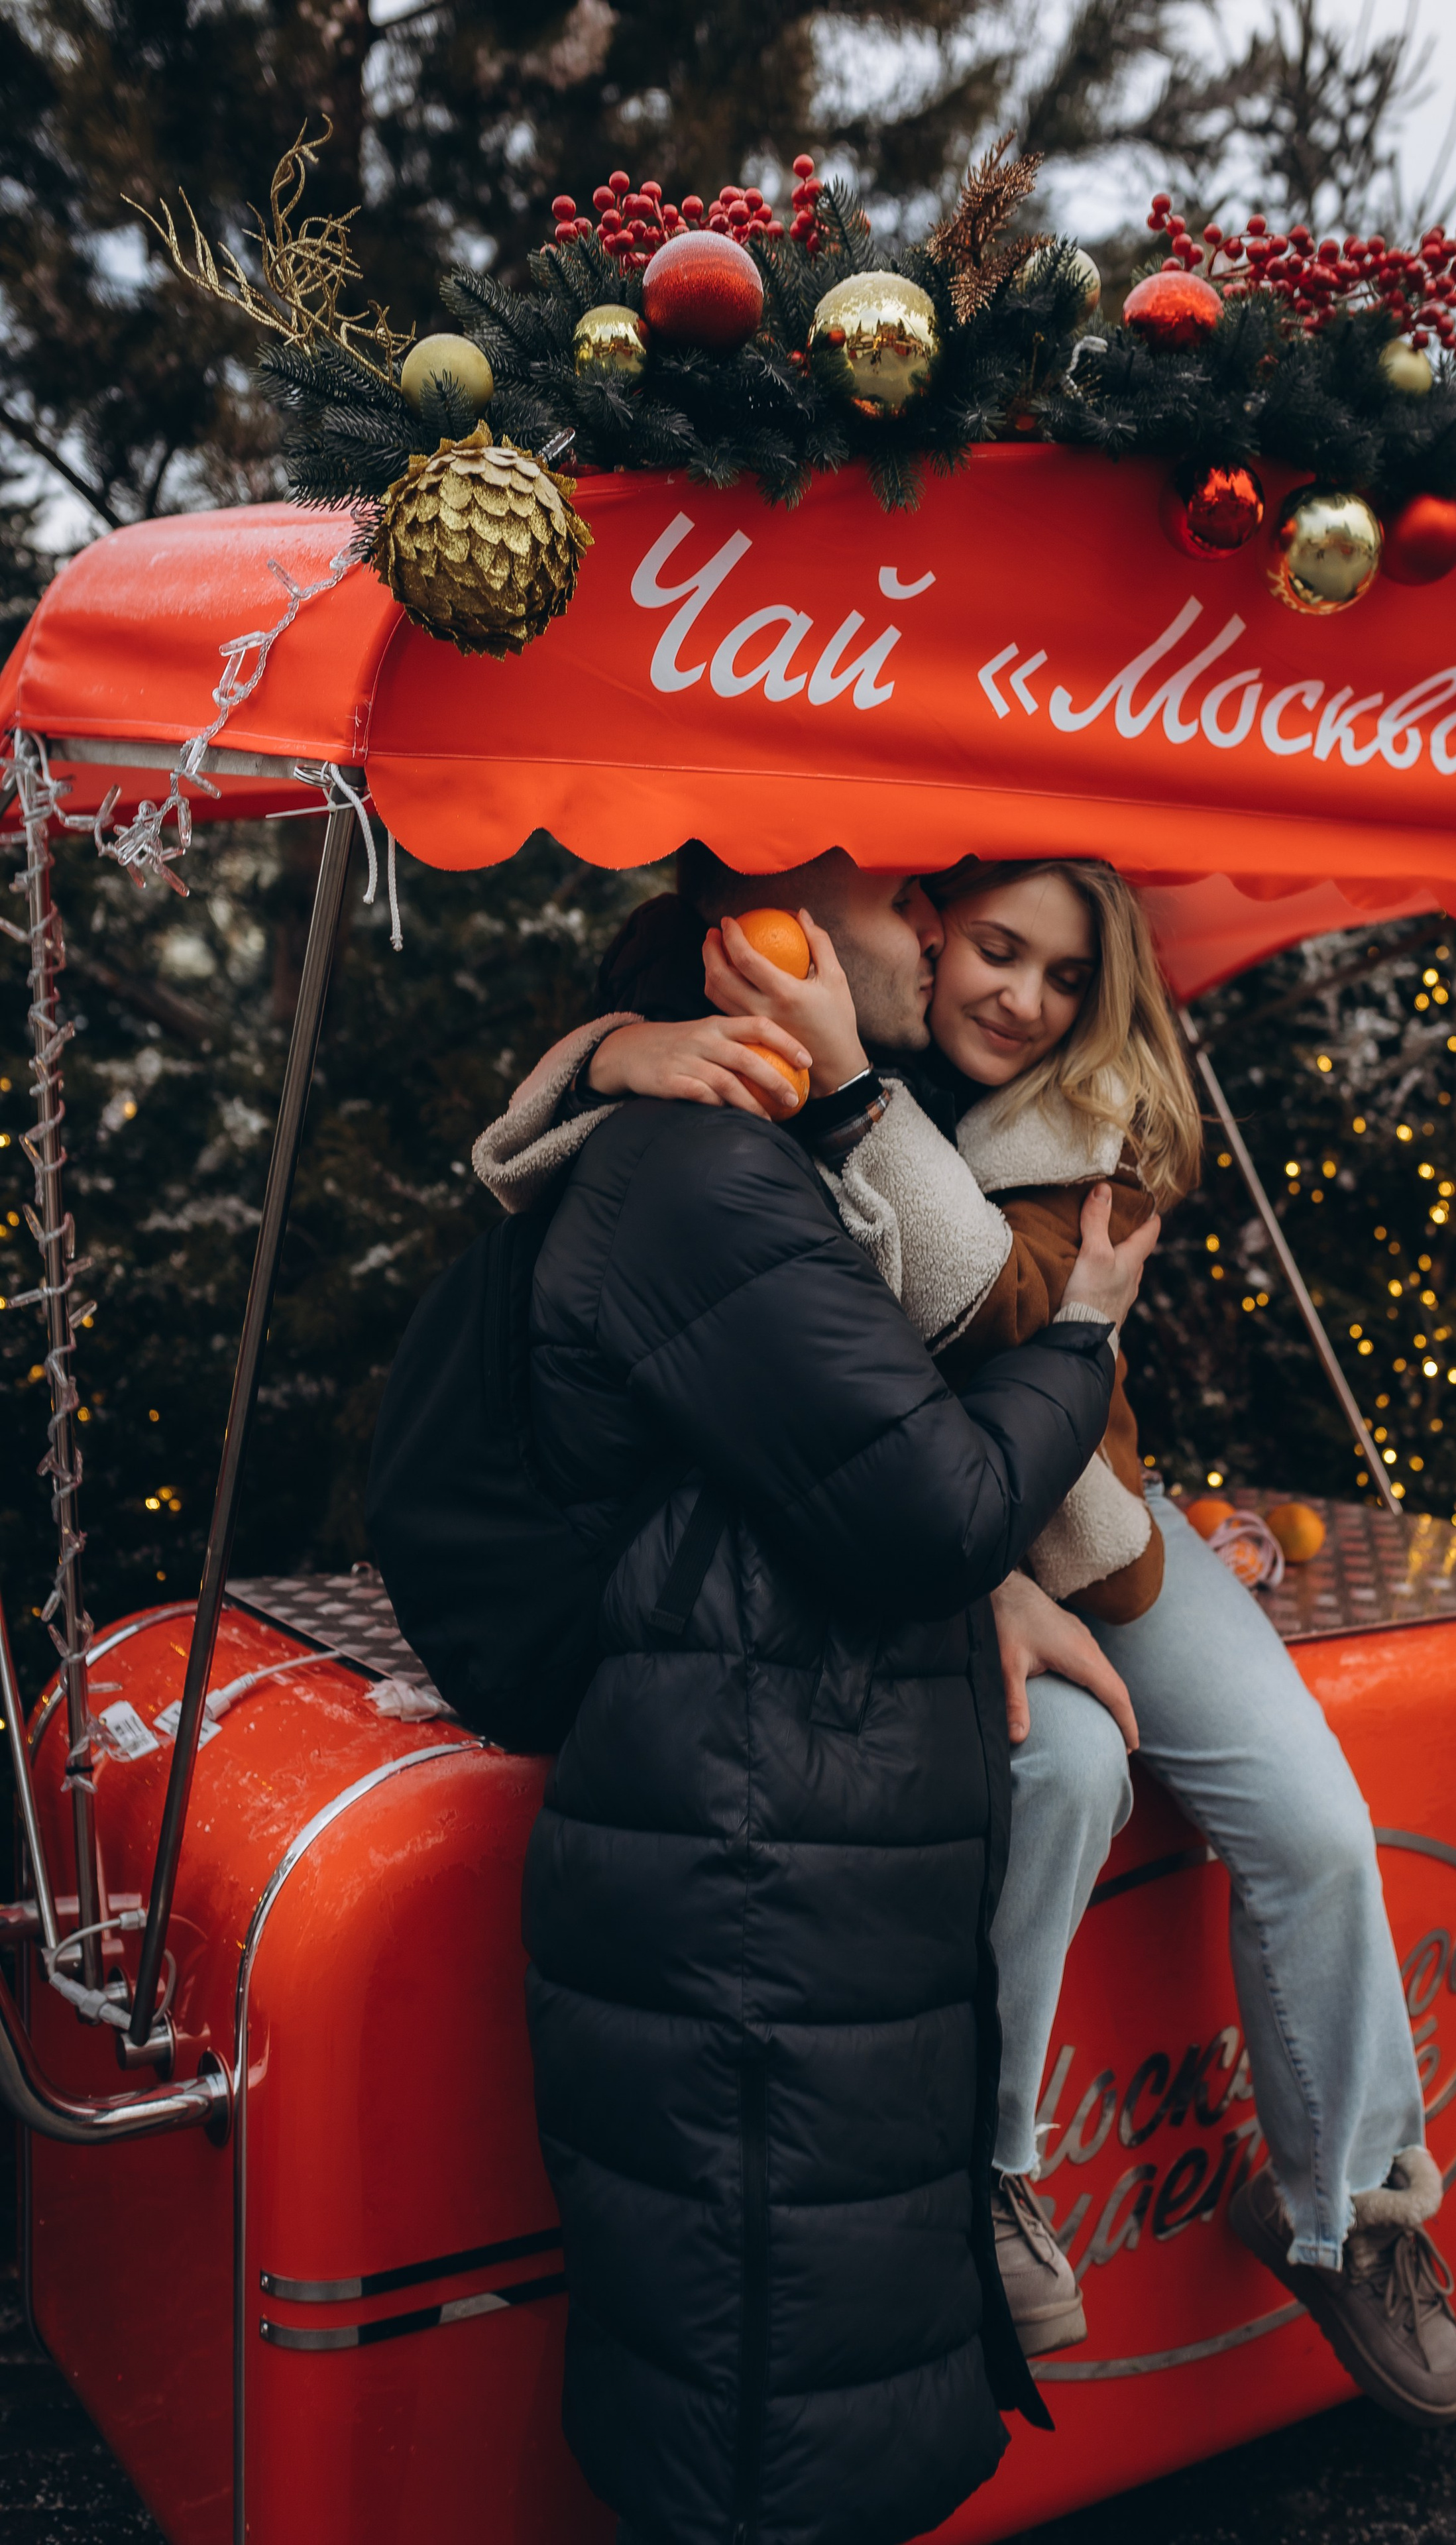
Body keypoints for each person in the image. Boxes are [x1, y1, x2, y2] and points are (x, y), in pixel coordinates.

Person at [522, 846, 1456, 2432]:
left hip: (1086, 1531)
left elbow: (1008, 1312)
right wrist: (624, 1048)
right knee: (1060, 1770)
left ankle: (1351, 2209)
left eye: (1063, 976)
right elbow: (589, 1088)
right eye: (991, 947)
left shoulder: (1081, 1119)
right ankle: (989, 2174)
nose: (1022, 999)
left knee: (1311, 1819)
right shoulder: (832, 1022)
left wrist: (851, 1096)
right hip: (906, 1538)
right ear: (926, 927)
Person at [471, 852, 1159, 2545]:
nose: (934, 927)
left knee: (809, 2363)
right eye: (901, 892)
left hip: (795, 1838)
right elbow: (930, 1502)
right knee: (769, 2393)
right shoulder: (706, 1174)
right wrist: (1081, 1335)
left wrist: (604, 1048)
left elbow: (828, 1448)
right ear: (765, 931)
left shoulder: (742, 1137)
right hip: (757, 1857)